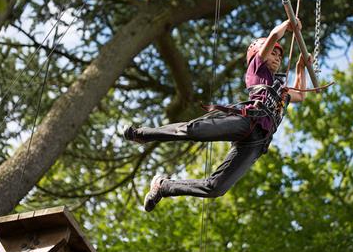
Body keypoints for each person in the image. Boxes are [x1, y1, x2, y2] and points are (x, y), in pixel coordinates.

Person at [123, 18, 312, 212]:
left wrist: (300, 67)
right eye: (273, 52)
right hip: (247, 121)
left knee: (216, 188)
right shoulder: (258, 69)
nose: (277, 58)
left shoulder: (281, 89)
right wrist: (287, 24)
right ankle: (143, 134)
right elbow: (274, 35)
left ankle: (163, 187)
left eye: (280, 56)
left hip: (257, 143)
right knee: (195, 131)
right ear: (259, 53)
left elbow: (301, 95)